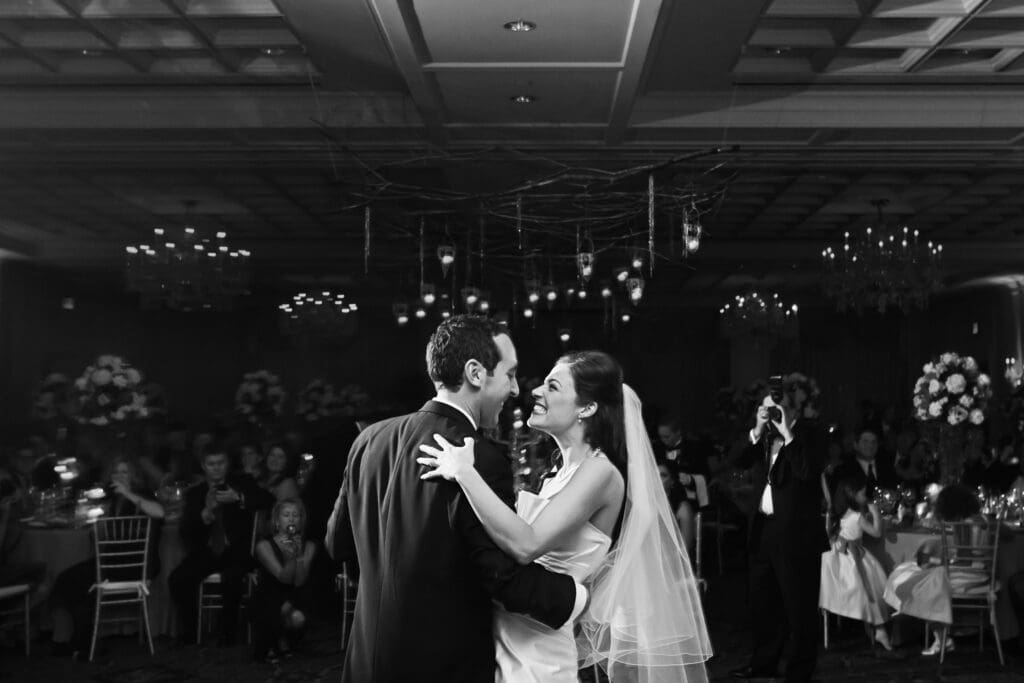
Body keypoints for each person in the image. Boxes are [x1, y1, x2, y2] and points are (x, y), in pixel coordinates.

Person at [419, 350, 712, 682]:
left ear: (586, 408)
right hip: (506, 636)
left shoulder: (600, 472)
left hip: (539, 648)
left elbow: (526, 544)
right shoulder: (557, 473)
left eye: (553, 387)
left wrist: (465, 473)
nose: (536, 392)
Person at [325, 315, 587, 683]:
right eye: (509, 375)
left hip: (365, 661)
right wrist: (577, 596)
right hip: (440, 665)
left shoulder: (369, 440)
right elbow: (500, 576)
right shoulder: (478, 455)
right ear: (475, 373)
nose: (515, 389)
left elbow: (336, 543)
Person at [731, 389, 826, 683]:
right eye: (766, 409)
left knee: (799, 610)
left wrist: (788, 433)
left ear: (792, 411)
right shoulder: (763, 438)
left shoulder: (811, 436)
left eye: (776, 410)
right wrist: (757, 429)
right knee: (763, 605)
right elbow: (735, 460)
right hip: (764, 531)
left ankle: (799, 672)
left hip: (797, 537)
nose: (772, 415)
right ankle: (763, 665)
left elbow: (808, 470)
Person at [50, 458, 165, 657]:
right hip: (112, 562)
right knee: (66, 581)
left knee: (79, 584)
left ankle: (84, 644)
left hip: (138, 565)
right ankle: (83, 642)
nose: (119, 477)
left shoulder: (141, 494)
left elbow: (159, 512)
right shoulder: (111, 498)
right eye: (115, 473)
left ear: (134, 476)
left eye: (124, 472)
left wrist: (128, 494)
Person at [169, 444, 274, 645]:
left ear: (227, 464)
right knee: (178, 578)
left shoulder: (242, 482)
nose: (216, 468)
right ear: (204, 466)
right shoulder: (195, 494)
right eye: (211, 464)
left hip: (237, 549)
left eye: (221, 463)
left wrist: (239, 498)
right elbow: (186, 531)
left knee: (233, 575)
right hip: (208, 551)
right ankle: (191, 633)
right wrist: (205, 516)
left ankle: (228, 634)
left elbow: (268, 499)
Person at [883, 484, 986, 655]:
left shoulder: (964, 525)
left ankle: (940, 637)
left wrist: (937, 562)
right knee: (918, 574)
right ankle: (939, 636)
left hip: (968, 576)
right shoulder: (981, 519)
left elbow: (965, 560)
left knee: (917, 580)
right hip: (981, 573)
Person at [819, 476, 892, 651]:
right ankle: (878, 628)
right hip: (852, 557)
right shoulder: (857, 516)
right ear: (851, 495)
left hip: (834, 556)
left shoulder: (836, 513)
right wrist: (875, 513)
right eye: (862, 493)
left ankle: (873, 627)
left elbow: (829, 534)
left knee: (865, 585)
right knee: (868, 586)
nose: (865, 496)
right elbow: (876, 532)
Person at [250, 498, 316, 663]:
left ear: (301, 521)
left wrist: (298, 555)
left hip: (294, 594)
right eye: (286, 515)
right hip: (269, 594)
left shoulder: (309, 546)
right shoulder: (263, 546)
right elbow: (283, 578)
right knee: (273, 607)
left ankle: (284, 640)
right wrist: (289, 557)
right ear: (277, 521)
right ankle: (273, 642)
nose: (292, 519)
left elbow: (299, 581)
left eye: (296, 515)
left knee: (299, 615)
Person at [832, 426, 899, 498]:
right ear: (856, 445)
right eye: (865, 441)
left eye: (874, 442)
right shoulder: (844, 470)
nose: (870, 446)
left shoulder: (887, 467)